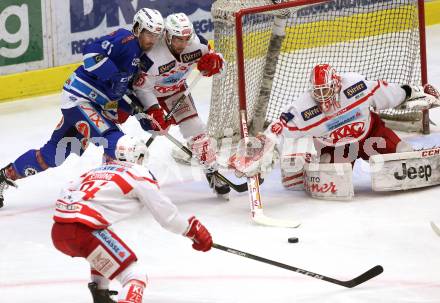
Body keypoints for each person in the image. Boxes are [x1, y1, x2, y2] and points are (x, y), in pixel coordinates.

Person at [0, 8, 165, 208]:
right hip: (79, 99)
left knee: (52, 155)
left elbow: (121, 93)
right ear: (138, 28)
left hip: (93, 104)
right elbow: (90, 55)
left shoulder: (142, 56)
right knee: (116, 142)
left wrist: (140, 113)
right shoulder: (125, 39)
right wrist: (113, 75)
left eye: (156, 36)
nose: (152, 40)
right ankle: (130, 185)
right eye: (149, 34)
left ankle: (3, 176)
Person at [51, 135, 213, 303]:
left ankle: (101, 293)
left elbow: (66, 189)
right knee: (135, 276)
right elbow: (167, 217)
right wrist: (191, 230)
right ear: (140, 156)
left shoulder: (95, 171)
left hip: (59, 230)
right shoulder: (138, 173)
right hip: (84, 231)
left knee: (104, 238)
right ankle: (102, 292)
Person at [229, 63, 440, 190]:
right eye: (317, 92)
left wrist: (415, 92)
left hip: (370, 135)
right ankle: (304, 167)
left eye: (325, 90)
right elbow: (278, 128)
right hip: (336, 147)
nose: (321, 97)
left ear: (336, 84)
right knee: (332, 180)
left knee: (404, 154)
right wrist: (259, 149)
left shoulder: (355, 86)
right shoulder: (303, 108)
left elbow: (389, 92)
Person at [131, 13, 229, 199]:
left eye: (186, 39)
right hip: (151, 96)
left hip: (177, 92)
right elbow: (141, 87)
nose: (183, 44)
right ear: (167, 35)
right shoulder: (152, 56)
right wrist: (153, 110)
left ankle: (213, 171)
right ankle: (129, 175)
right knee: (148, 135)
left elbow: (221, 66)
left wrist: (217, 63)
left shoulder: (198, 45)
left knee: (196, 128)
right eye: (178, 39)